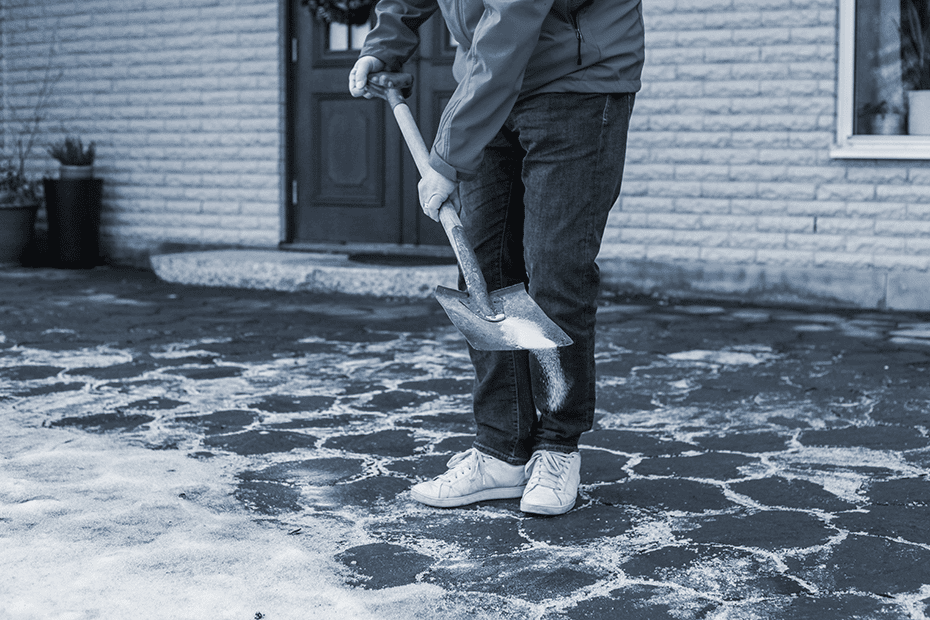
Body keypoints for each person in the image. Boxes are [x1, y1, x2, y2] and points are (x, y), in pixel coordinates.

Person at [349, 0, 644, 515]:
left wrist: (446, 159)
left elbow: (513, 17)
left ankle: (557, 447)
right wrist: (386, 43)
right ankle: (501, 450)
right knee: (482, 273)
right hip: (489, 85)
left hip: (576, 81)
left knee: (555, 271)